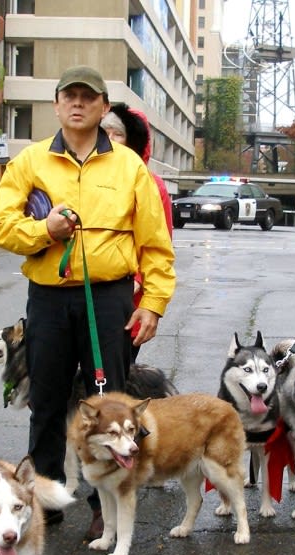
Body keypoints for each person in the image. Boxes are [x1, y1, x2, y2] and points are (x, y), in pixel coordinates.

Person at [0, 66, 176, 540]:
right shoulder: (29, 162)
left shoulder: (130, 167)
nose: (77, 103)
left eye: (87, 97)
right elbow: (1, 224)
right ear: (56, 105)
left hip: (108, 299)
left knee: (109, 407)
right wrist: (43, 231)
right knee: (46, 403)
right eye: (68, 95)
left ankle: (104, 503)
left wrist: (152, 302)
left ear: (103, 107)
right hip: (48, 300)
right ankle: (43, 500)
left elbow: (155, 243)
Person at [100, 103, 173, 361]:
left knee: (113, 385)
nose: (110, 139)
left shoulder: (152, 185)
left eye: (117, 133)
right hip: (83, 297)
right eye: (104, 131)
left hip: (126, 298)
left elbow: (159, 247)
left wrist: (143, 291)